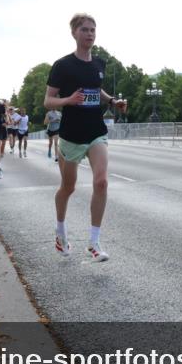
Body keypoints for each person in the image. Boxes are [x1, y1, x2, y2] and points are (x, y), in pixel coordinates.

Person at [43, 13, 127, 261]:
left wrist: (112, 100)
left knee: (101, 182)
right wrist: (68, 100)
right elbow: (48, 101)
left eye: (93, 30)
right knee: (68, 187)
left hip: (96, 132)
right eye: (85, 30)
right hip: (71, 135)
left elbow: (96, 89)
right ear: (74, 33)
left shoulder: (99, 64)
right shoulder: (62, 66)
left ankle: (94, 242)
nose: (90, 34)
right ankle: (60, 232)